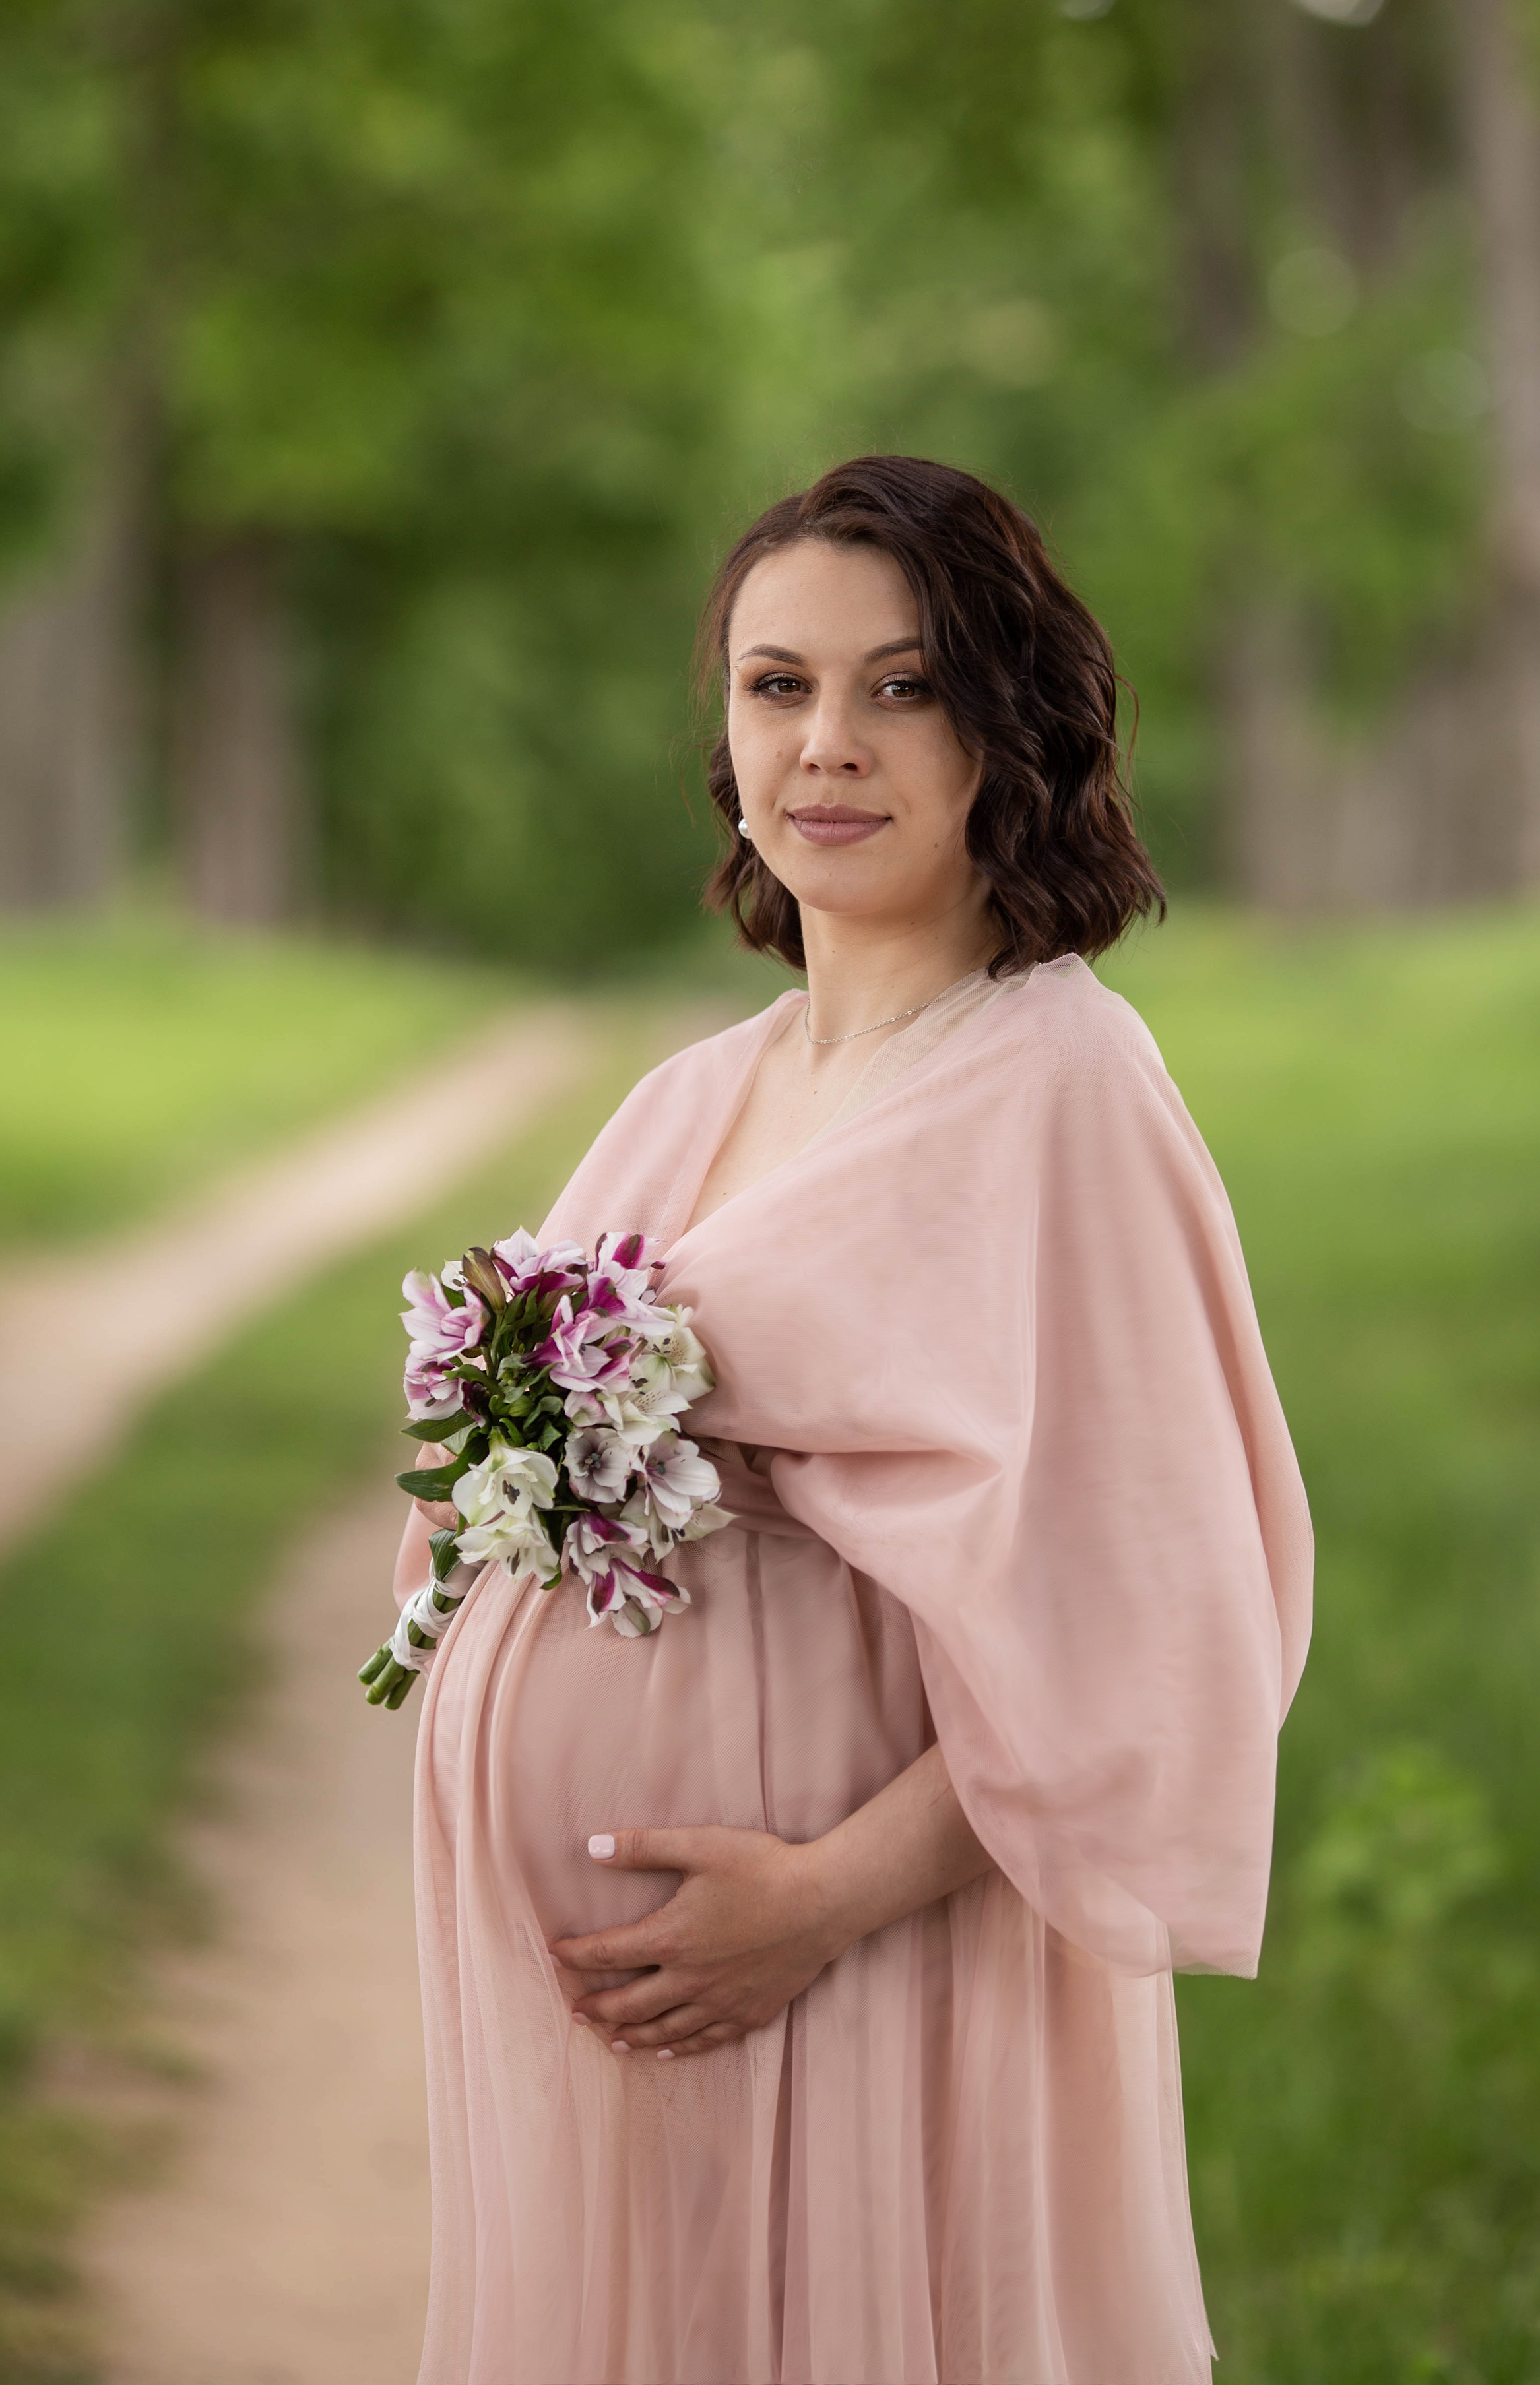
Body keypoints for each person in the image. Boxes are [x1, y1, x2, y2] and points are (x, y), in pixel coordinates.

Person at [393, 454, 1312, 2384]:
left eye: (903, 687)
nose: (826, 743)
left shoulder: (1065, 1081)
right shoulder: (696, 1092)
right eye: (775, 684)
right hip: (643, 2028)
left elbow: (1164, 1616)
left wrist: (819, 1901)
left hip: (878, 1966)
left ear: (1010, 728)